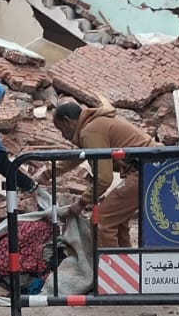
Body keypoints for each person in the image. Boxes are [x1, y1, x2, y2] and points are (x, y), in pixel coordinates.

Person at [51, 99, 154, 248]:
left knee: (101, 220)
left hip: (145, 170)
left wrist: (81, 203)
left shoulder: (90, 131)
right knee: (117, 220)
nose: (63, 136)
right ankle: (126, 260)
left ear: (68, 121)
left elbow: (104, 179)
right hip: (149, 168)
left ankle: (110, 262)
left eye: (61, 130)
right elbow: (79, 156)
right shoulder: (94, 125)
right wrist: (47, 174)